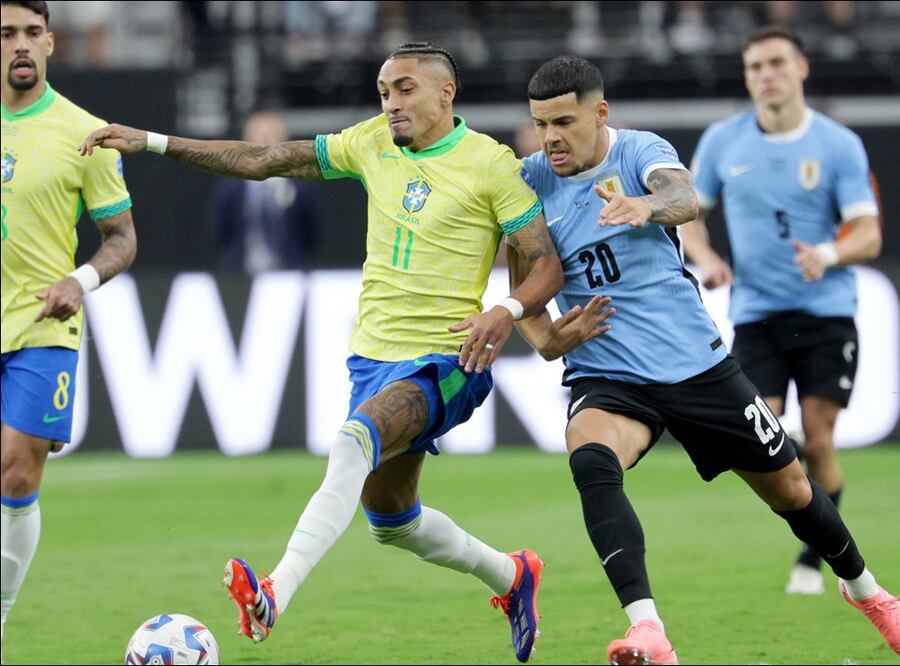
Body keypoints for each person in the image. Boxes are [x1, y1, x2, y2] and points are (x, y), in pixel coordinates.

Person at [81, 42, 564, 663]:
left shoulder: (493, 166)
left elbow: (545, 265)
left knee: (354, 439)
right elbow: (262, 159)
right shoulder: (370, 143)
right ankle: (512, 575)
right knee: (393, 519)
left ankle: (274, 593)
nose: (391, 102)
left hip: (449, 360)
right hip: (372, 360)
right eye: (385, 90)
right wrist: (151, 141)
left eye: (406, 89)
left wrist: (506, 310)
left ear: (447, 93)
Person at [514, 55, 900, 664]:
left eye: (564, 122)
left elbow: (683, 197)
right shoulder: (528, 182)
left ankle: (866, 590)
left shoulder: (636, 153)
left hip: (696, 367)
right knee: (591, 459)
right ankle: (648, 630)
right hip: (607, 372)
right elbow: (525, 281)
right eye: (540, 123)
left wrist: (645, 207)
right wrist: (545, 340)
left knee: (792, 489)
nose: (550, 138)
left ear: (600, 113)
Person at [681, 25, 884, 598]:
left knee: (817, 443)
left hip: (825, 313)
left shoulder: (838, 144)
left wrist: (829, 251)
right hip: (758, 315)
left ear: (801, 69)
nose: (765, 75)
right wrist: (705, 256)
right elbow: (687, 209)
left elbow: (867, 234)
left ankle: (814, 559)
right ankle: (821, 543)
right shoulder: (724, 141)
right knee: (759, 441)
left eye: (775, 63)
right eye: (754, 67)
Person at [1, 0, 137, 658]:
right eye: (5, 34)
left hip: (43, 325)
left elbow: (121, 238)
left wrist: (78, 283)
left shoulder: (83, 132)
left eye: (31, 33)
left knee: (17, 475)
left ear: (51, 42)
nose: (19, 45)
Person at [210, 111, 319, 274]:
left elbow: (310, 233)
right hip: (240, 276)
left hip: (289, 275)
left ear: (286, 142)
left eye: (272, 136)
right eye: (259, 136)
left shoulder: (300, 185)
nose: (265, 143)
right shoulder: (231, 186)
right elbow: (222, 231)